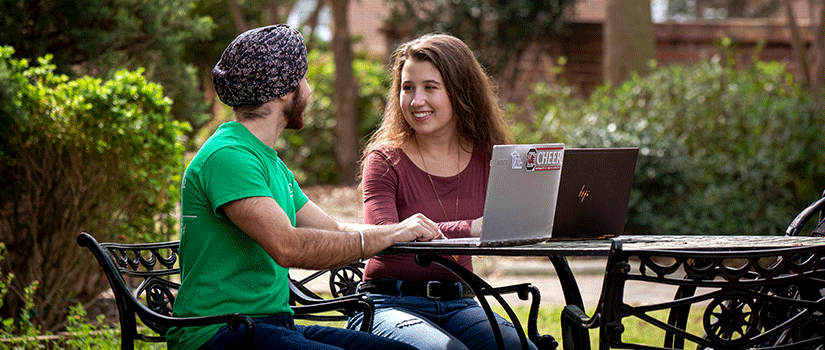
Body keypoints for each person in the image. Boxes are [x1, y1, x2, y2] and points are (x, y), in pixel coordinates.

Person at [167, 24, 443, 350]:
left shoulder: (268, 162)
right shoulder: (228, 156)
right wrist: (389, 236)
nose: (309, 91)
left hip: (270, 324)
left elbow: (334, 229)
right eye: (305, 79)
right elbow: (287, 245)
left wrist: (399, 230)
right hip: (220, 332)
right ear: (285, 90)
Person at [349, 33, 538, 350]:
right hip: (387, 302)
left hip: (461, 302)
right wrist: (470, 229)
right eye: (407, 88)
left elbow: (517, 222)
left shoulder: (491, 158)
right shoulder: (384, 160)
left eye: (429, 88)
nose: (415, 100)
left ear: (460, 91)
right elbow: (383, 237)